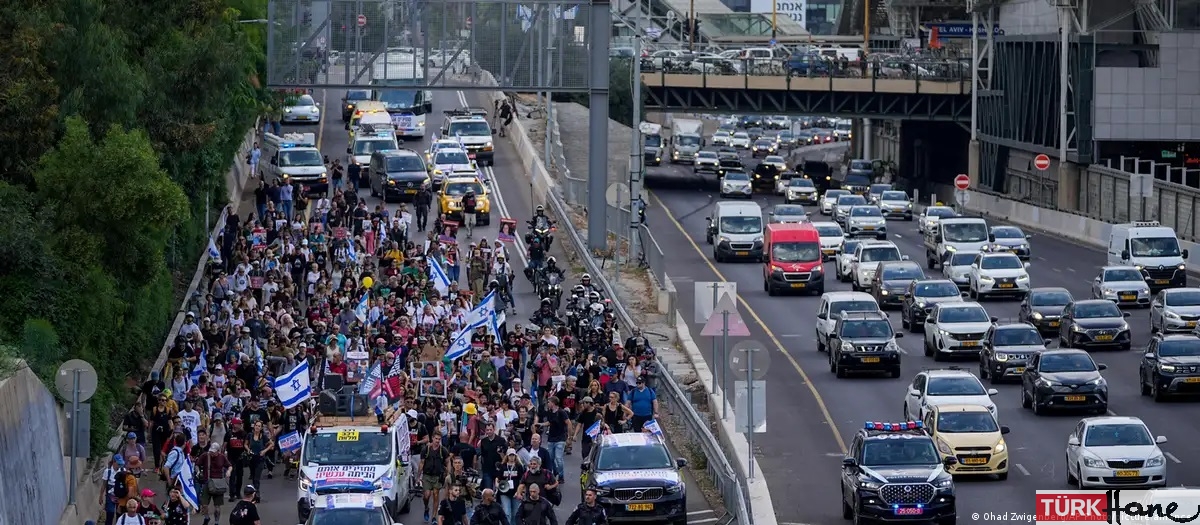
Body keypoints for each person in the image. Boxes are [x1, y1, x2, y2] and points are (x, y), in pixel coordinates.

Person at [198, 442, 232, 524]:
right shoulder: (205, 456)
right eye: (211, 451)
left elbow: (229, 466)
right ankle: (206, 517)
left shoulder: (222, 457)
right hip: (208, 481)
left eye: (214, 452)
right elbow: (197, 464)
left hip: (218, 483)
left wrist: (229, 471)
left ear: (218, 451)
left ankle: (217, 522)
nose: (212, 453)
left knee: (217, 507)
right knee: (204, 504)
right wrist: (198, 472)